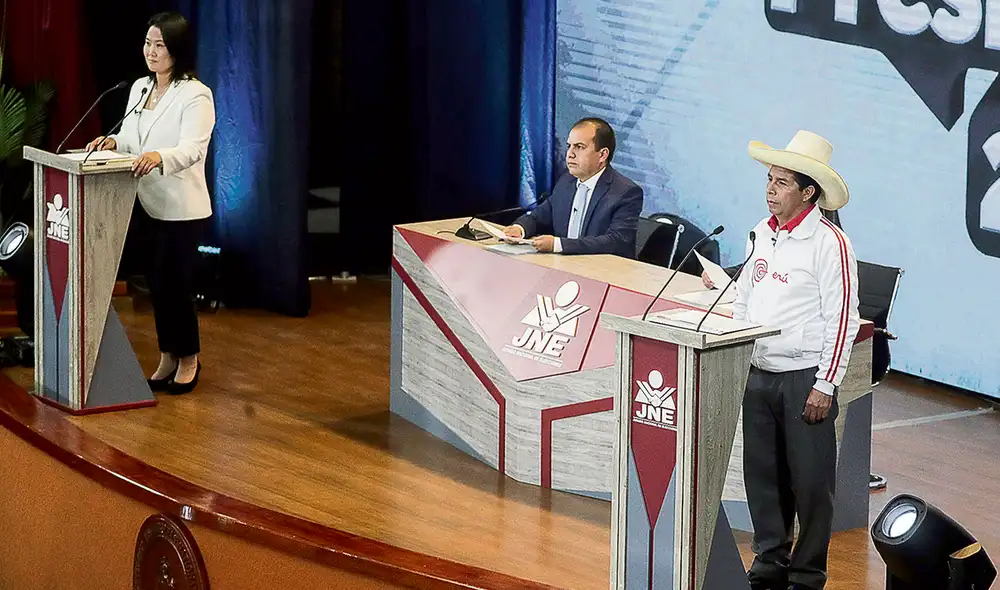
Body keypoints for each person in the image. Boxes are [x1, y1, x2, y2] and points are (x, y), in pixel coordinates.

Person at [732, 130, 860, 590]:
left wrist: (826, 383)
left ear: (809, 192)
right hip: (759, 372)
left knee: (810, 485)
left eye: (782, 182)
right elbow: (742, 298)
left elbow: (844, 316)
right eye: (769, 179)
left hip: (804, 376)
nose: (770, 190)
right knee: (762, 476)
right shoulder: (760, 235)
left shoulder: (830, 243)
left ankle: (807, 575)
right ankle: (769, 563)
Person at [87, 12, 215, 395]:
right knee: (156, 287)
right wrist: (113, 143)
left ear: (177, 49)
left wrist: (159, 156)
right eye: (148, 43)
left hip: (181, 208)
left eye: (160, 45)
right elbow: (130, 137)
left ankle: (189, 358)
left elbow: (193, 148)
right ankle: (166, 356)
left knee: (176, 286)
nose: (151, 52)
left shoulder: (195, 94)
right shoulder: (141, 87)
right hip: (144, 202)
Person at [503, 118, 642, 257]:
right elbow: (540, 216)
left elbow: (616, 242)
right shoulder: (566, 182)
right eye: (569, 146)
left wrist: (558, 245)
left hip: (604, 272)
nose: (570, 154)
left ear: (602, 155)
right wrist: (519, 229)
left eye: (579, 147)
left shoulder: (626, 192)